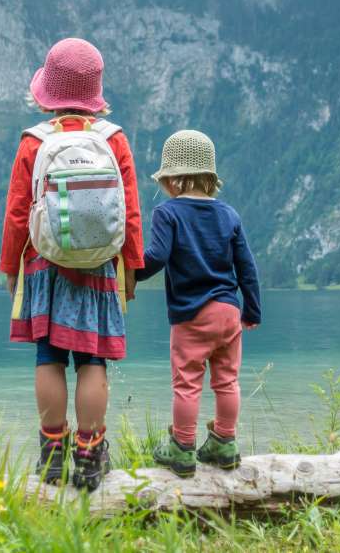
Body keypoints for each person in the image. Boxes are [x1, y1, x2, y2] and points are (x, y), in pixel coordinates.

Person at [0, 38, 143, 490]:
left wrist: (10, 269)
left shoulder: (33, 142)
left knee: (49, 356)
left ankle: (52, 456)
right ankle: (90, 453)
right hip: (100, 266)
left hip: (45, 264)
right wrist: (131, 270)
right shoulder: (113, 140)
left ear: (48, 93)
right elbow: (131, 213)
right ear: (95, 94)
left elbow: (18, 214)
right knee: (92, 360)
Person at [135, 130, 261, 477]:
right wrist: (252, 309)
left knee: (187, 383)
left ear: (174, 179)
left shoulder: (168, 213)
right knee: (227, 381)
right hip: (229, 311)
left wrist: (130, 275)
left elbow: (157, 256)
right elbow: (247, 266)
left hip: (192, 315)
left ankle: (183, 449)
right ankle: (225, 441)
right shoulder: (229, 214)